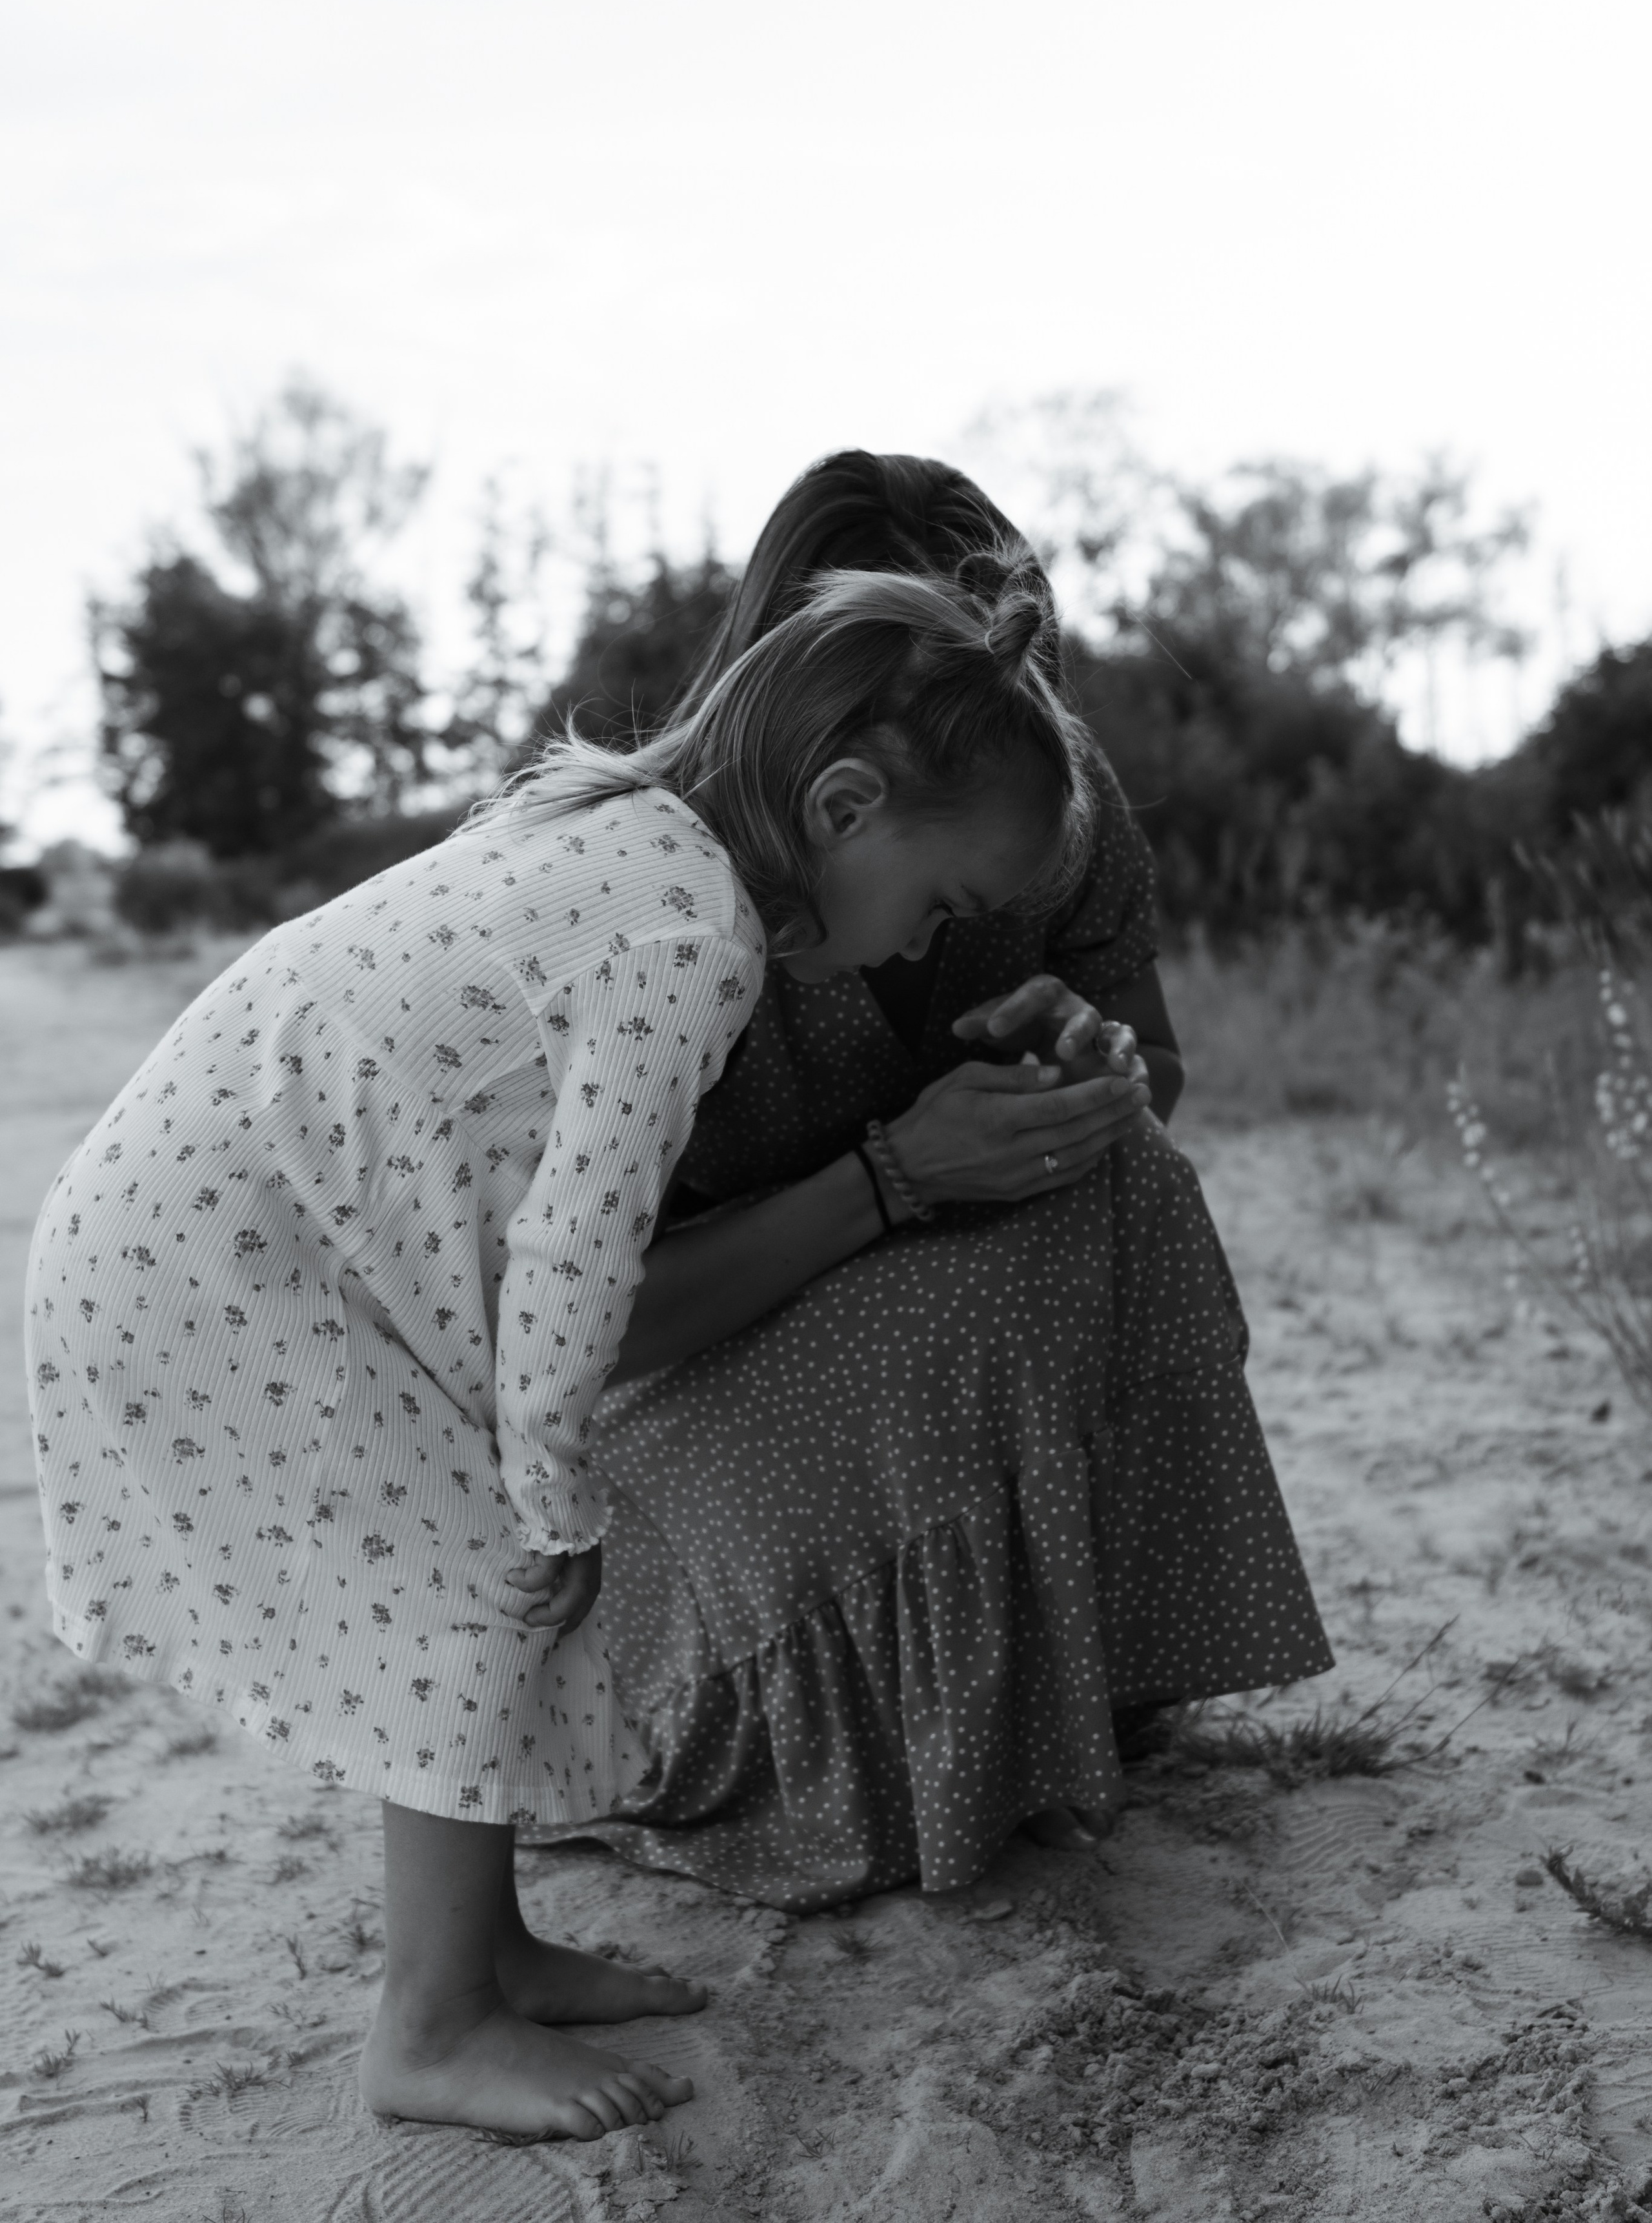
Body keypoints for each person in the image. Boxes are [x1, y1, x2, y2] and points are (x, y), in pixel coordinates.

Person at [25, 565, 1111, 2140]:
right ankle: (432, 2023)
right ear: (845, 804)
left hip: (196, 1221)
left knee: (465, 1577)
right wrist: (556, 1498)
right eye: (934, 907)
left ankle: (490, 1952)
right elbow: (574, 1246)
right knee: (478, 1574)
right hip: (230, 1262)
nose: (906, 953)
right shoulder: (690, 938)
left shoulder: (603, 837)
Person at [570, 451, 1335, 1910]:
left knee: (1136, 1180)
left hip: (901, 1314)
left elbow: (1151, 1066)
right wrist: (894, 1174)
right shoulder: (646, 891)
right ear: (788, 677)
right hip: (674, 1379)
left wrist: (1089, 1064)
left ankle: (1070, 1688)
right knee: (950, 1308)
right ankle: (824, 1740)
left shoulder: (1041, 799)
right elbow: (577, 1331)